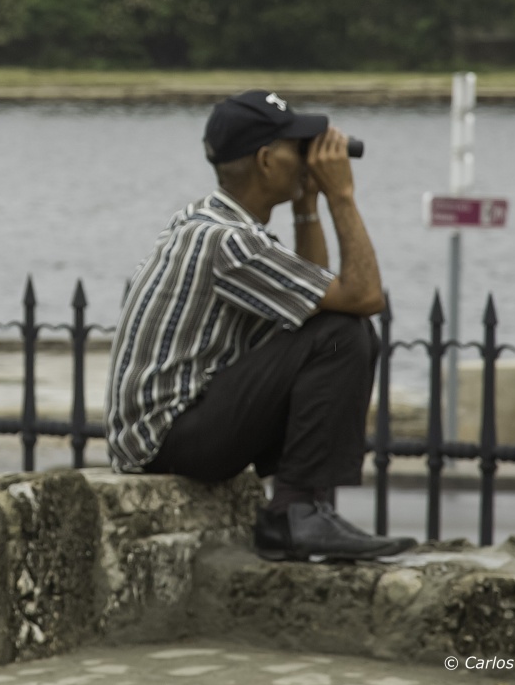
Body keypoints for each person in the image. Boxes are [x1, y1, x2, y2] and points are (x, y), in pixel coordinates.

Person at [104, 89, 417, 561]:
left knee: (336, 330)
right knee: (345, 335)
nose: (309, 158)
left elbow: (315, 297)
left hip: (176, 430)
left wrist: (307, 205)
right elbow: (363, 297)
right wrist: (342, 196)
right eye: (298, 149)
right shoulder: (227, 241)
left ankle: (300, 511)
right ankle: (295, 515)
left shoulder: (215, 223)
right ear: (268, 161)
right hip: (168, 439)